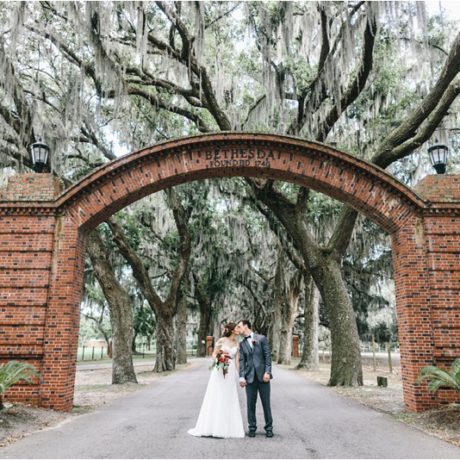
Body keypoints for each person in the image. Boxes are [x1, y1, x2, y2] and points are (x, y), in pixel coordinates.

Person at [188, 322, 245, 438]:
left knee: (229, 396)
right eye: (237, 328)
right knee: (217, 394)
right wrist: (220, 359)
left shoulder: (237, 343)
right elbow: (214, 354)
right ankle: (212, 426)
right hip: (219, 371)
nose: (239, 329)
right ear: (232, 330)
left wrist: (241, 376)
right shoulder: (221, 341)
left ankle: (228, 428)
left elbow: (237, 361)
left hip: (230, 372)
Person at [236, 319, 273, 438]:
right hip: (250, 378)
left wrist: (268, 372)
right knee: (250, 404)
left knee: (266, 403)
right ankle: (252, 428)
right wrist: (241, 377)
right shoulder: (242, 344)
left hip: (263, 377)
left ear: (246, 327)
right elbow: (242, 361)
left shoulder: (261, 339)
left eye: (239, 326)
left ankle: (269, 428)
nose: (238, 329)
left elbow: (268, 357)